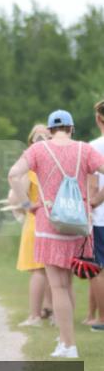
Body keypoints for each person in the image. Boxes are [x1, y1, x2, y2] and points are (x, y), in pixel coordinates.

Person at [9, 109, 104, 358]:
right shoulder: (85, 150)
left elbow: (13, 174)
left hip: (49, 224)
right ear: (71, 128)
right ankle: (64, 340)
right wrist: (96, 200)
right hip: (79, 227)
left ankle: (68, 345)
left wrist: (27, 204)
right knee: (68, 285)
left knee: (58, 286)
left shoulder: (38, 150)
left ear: (50, 130)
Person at [10, 124, 53, 327]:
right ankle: (52, 312)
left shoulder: (32, 166)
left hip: (35, 219)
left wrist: (24, 204)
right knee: (54, 271)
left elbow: (15, 195)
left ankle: (35, 316)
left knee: (37, 270)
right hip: (55, 220)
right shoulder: (57, 162)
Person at [87, 99, 104, 331]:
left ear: (98, 119)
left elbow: (91, 186)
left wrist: (94, 201)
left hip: (100, 217)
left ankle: (102, 318)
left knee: (98, 269)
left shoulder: (94, 147)